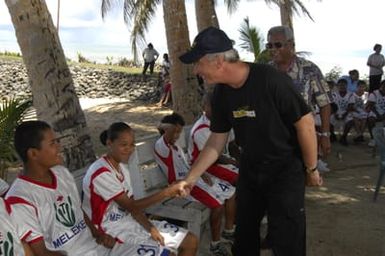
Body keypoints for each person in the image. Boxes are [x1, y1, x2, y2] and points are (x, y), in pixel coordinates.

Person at [178, 26, 322, 256]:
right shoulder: (221, 94)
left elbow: (304, 123)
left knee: (287, 238)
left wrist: (311, 168)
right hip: (250, 168)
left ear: (217, 61)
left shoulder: (270, 80)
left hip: (284, 170)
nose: (196, 70)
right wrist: (191, 178)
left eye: (198, 63)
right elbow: (216, 141)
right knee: (244, 235)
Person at [5, 120, 148, 256]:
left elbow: (78, 210)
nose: (59, 147)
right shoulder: (19, 199)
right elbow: (41, 252)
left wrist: (98, 234)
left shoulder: (61, 173)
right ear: (33, 154)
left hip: (97, 248)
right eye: (53, 143)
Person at [82, 122, 198, 256]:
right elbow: (131, 206)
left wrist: (151, 228)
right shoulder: (101, 173)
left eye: (132, 144)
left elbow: (134, 210)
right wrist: (167, 192)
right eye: (123, 145)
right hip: (110, 230)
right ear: (109, 143)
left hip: (130, 222)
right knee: (167, 254)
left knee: (190, 241)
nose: (129, 149)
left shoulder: (122, 169)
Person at [154, 113, 236, 256]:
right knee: (217, 205)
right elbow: (168, 129)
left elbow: (187, 164)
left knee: (229, 191)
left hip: (192, 180)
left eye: (179, 132)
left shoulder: (176, 147)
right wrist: (161, 126)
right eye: (175, 131)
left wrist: (201, 172)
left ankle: (227, 233)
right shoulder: (162, 145)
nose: (177, 135)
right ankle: (215, 244)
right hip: (180, 187)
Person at [267, 25, 332, 172]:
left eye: (278, 45)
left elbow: (325, 103)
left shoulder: (310, 69)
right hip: (273, 139)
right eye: (269, 45)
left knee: (298, 179)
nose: (273, 49)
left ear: (291, 45)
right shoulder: (266, 71)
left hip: (302, 137)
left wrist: (325, 135)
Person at [188, 92, 239, 185]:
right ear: (204, 107)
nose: (217, 110)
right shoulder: (201, 129)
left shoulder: (225, 122)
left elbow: (232, 146)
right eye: (213, 106)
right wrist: (235, 163)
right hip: (205, 166)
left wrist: (242, 161)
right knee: (242, 179)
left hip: (223, 161)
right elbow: (212, 157)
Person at [330, 79, 354, 146]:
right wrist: (335, 114)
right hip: (336, 112)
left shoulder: (350, 94)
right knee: (328, 120)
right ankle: (332, 135)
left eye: (344, 85)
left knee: (351, 121)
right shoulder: (334, 94)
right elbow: (332, 106)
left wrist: (345, 114)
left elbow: (351, 106)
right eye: (340, 85)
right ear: (337, 86)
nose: (342, 87)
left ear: (346, 86)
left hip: (346, 112)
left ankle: (344, 137)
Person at [367, 80, 385, 147]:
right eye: (384, 86)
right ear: (380, 86)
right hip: (375, 111)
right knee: (370, 119)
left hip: (384, 113)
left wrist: (383, 116)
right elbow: (371, 106)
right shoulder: (374, 93)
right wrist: (378, 115)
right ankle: (373, 138)